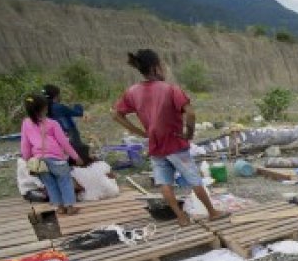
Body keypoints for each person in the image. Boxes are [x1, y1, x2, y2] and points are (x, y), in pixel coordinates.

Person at [112, 49, 227, 226]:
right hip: (175, 143)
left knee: (164, 182)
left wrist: (141, 132)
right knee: (194, 179)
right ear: (156, 67)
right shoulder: (171, 89)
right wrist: (189, 134)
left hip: (155, 146)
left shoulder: (133, 92)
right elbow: (191, 114)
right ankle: (212, 212)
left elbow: (116, 115)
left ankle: (180, 217)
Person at [20, 94, 84, 214]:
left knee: (50, 184)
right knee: (65, 181)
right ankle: (70, 207)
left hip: (39, 160)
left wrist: (27, 159)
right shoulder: (52, 123)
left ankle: (59, 207)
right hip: (56, 158)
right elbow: (64, 143)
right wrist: (76, 157)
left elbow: (25, 144)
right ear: (44, 108)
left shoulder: (26, 123)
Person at [42, 84, 91, 165]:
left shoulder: (42, 108)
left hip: (51, 136)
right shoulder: (59, 107)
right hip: (69, 133)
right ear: (56, 95)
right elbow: (79, 113)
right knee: (78, 149)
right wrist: (77, 104)